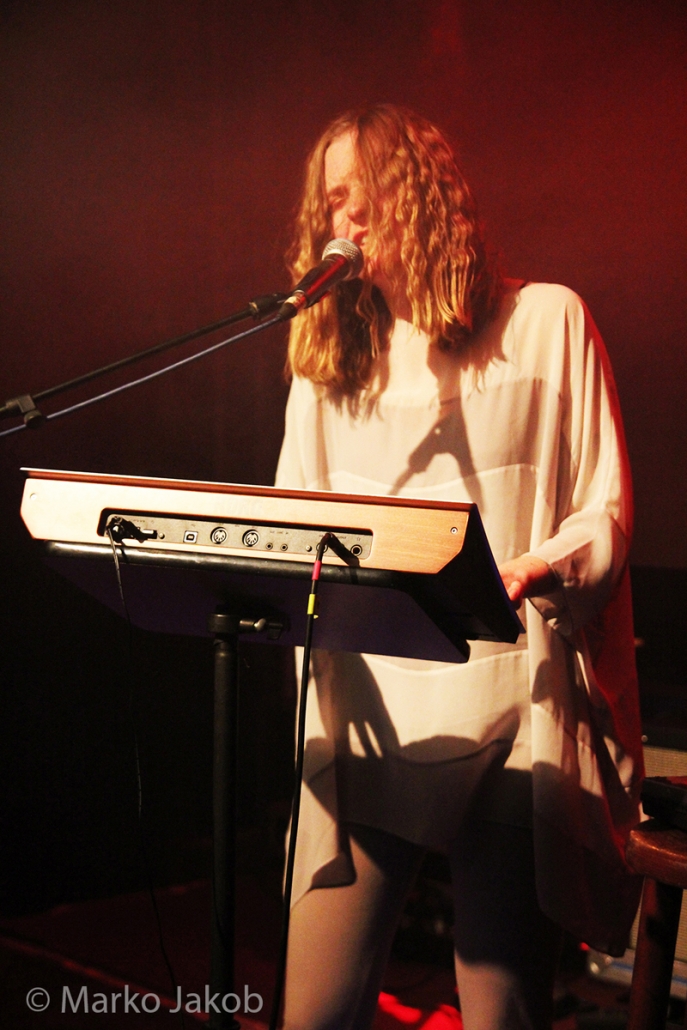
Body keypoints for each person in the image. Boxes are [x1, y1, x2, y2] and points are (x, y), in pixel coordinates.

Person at [275, 104, 643, 1030]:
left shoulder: (545, 322)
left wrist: (537, 567)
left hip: (513, 707)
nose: (347, 219)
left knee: (501, 1009)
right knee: (311, 1011)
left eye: (363, 193)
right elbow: (291, 533)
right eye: (332, 202)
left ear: (421, 191)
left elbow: (602, 509)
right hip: (372, 720)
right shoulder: (327, 367)